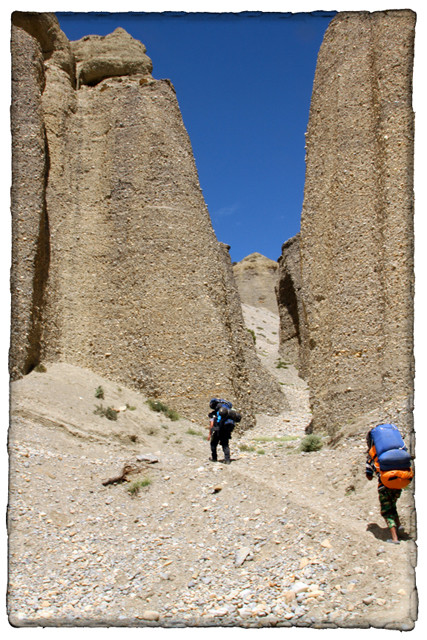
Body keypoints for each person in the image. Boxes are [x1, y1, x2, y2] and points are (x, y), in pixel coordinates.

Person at [366, 430, 402, 544]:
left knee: (386, 511)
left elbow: (369, 475)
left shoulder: (373, 453)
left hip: (384, 486)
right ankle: (399, 527)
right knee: (393, 506)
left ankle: (394, 538)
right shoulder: (395, 450)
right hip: (399, 483)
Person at [207, 398, 240, 465]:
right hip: (227, 429)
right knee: (225, 444)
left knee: (213, 443)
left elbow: (212, 424)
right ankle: (227, 460)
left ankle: (214, 458)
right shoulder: (228, 412)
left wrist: (210, 434)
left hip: (218, 429)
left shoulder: (215, 413)